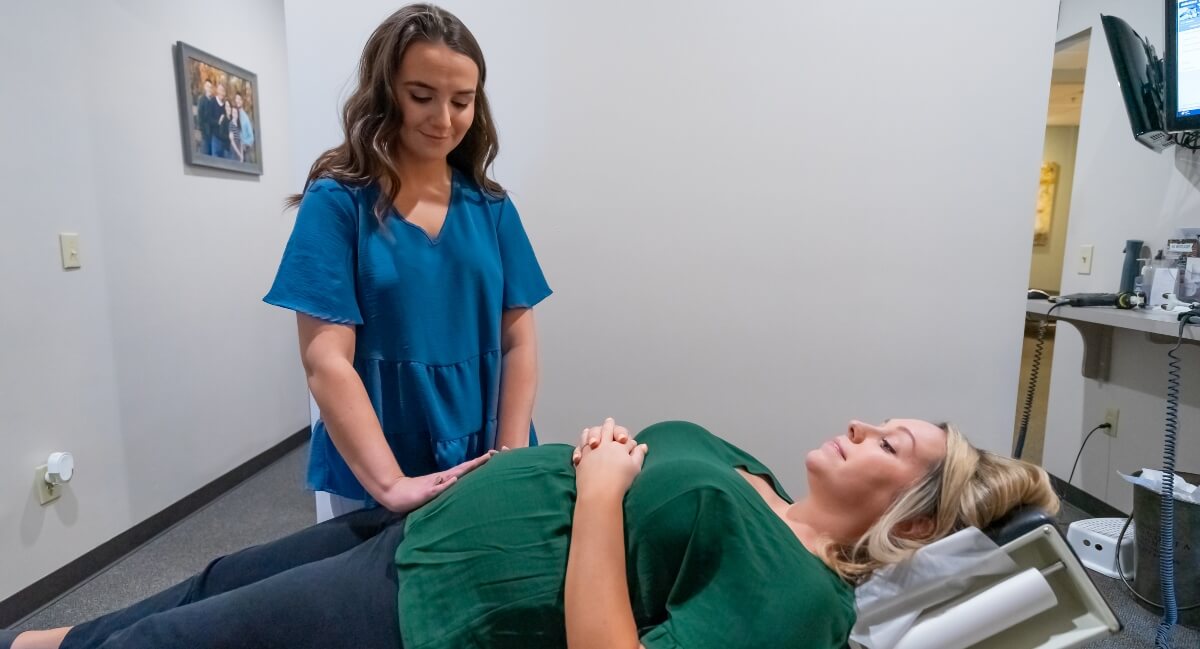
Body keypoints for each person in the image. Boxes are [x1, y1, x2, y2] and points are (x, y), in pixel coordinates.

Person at [3, 417, 1059, 649]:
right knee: (201, 585)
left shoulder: (803, 596)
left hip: (429, 607)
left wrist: (599, 492)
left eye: (893, 442)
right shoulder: (765, 482)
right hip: (417, 529)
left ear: (911, 513)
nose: (866, 423)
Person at [263, 3, 551, 522]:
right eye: (422, 96)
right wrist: (393, 485)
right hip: (379, 457)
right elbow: (326, 360)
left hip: (488, 444)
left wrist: (510, 460)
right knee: (373, 599)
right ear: (384, 92)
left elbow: (519, 339)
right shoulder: (337, 203)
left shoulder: (492, 208)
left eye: (462, 101)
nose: (444, 120)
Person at [194, 80, 220, 156]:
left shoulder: (213, 100)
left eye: (210, 87)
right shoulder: (202, 100)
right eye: (207, 86)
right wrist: (202, 129)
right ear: (205, 87)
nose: (209, 88)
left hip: (213, 133)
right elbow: (200, 116)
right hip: (205, 132)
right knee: (206, 153)